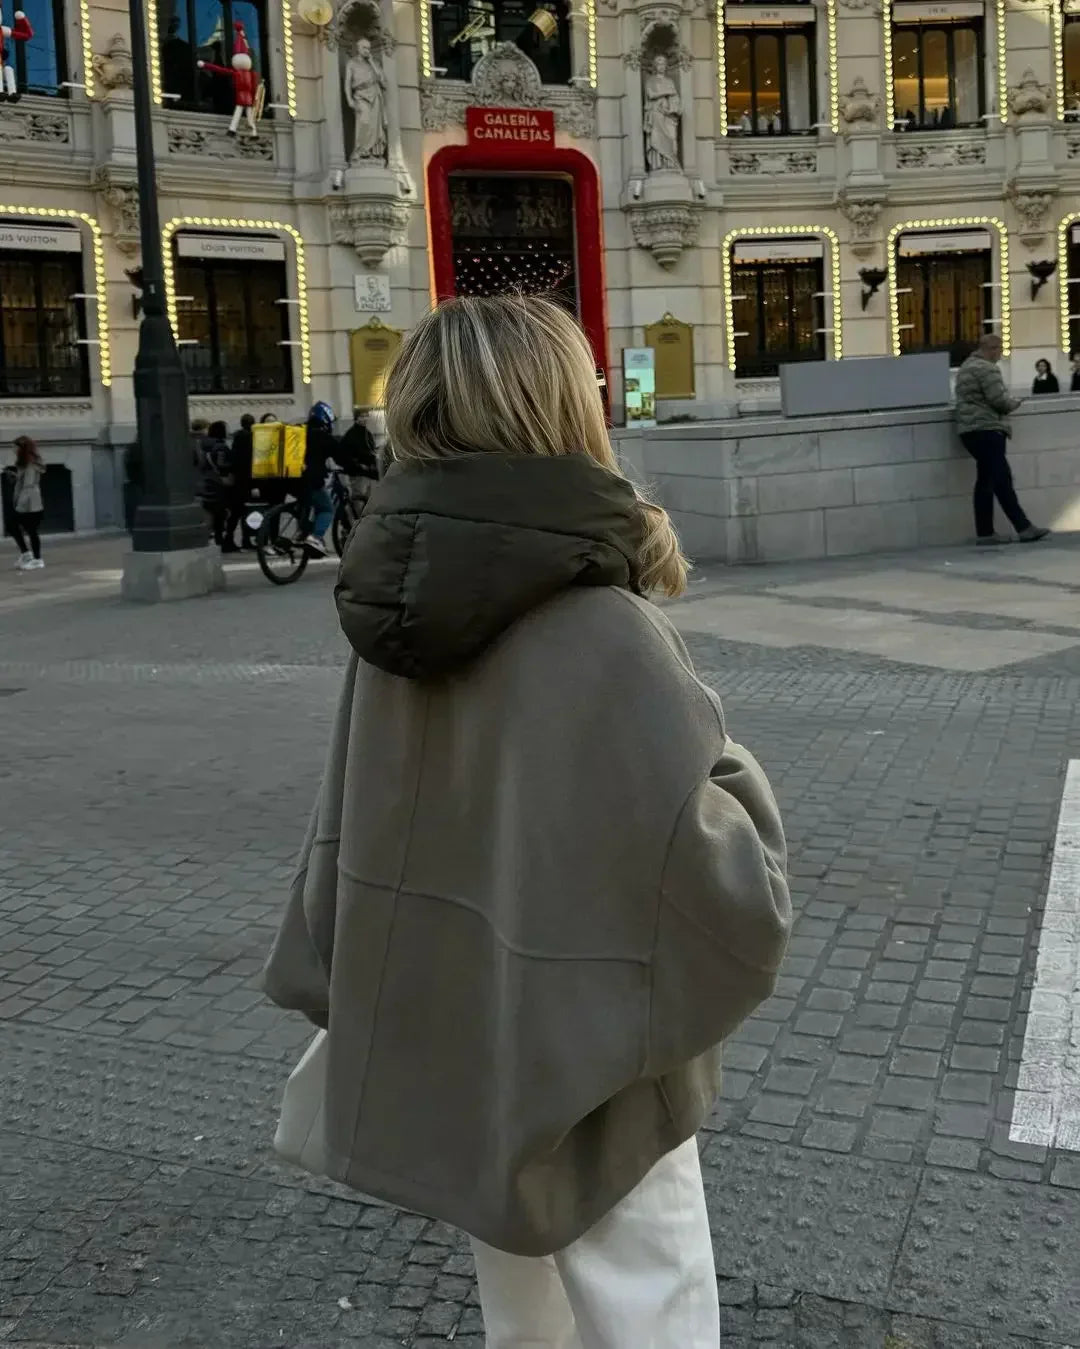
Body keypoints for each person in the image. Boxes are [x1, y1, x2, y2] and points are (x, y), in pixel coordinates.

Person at [262, 295, 791, 1347]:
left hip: (470, 1037)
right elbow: (736, 892)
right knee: (652, 1302)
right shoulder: (604, 625)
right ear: (563, 409)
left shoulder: (392, 611)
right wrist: (731, 772)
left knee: (524, 1306)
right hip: (597, 1057)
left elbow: (352, 826)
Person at [954, 334, 1049, 545]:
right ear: (992, 348)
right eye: (999, 350)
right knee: (1001, 478)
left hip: (969, 430)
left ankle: (986, 532)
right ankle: (1023, 527)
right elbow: (998, 400)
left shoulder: (966, 366)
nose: (1000, 355)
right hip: (987, 429)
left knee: (986, 481)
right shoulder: (987, 369)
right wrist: (1013, 404)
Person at [298, 401, 337, 557]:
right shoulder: (322, 436)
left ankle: (302, 534)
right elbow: (342, 456)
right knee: (326, 509)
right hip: (311, 479)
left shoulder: (300, 432)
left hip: (292, 478)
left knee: (305, 504)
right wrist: (358, 468)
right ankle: (315, 538)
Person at [6, 435, 45, 570]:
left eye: (14, 447)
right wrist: (14, 476)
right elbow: (24, 481)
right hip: (27, 503)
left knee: (31, 531)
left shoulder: (30, 464)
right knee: (13, 526)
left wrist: (20, 506)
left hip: (31, 504)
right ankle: (27, 554)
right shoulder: (25, 464)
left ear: (21, 448)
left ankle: (37, 559)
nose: (13, 449)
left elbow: (28, 486)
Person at [196, 420, 232, 547]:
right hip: (217, 483)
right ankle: (219, 537)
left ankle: (207, 536)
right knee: (220, 512)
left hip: (204, 481)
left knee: (209, 511)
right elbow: (223, 465)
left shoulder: (200, 444)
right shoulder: (220, 446)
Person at [224, 413, 255, 551]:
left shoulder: (236, 438)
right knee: (245, 512)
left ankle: (229, 538)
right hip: (246, 480)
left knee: (236, 513)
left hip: (237, 480)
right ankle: (245, 539)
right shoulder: (250, 438)